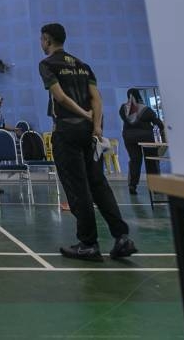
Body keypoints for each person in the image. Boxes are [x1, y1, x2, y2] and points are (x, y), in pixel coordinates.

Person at [38, 23, 137, 261]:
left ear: (47, 40)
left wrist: (83, 114)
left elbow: (60, 97)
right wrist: (96, 127)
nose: (41, 43)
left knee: (77, 188)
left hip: (67, 132)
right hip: (89, 134)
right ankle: (122, 237)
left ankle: (88, 243)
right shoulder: (83, 66)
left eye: (42, 39)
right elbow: (97, 99)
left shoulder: (48, 64)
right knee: (98, 184)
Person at [119, 88, 168, 195]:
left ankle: (132, 185)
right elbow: (159, 124)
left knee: (135, 160)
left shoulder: (123, 109)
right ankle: (156, 187)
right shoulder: (146, 109)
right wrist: (161, 135)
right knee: (151, 161)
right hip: (147, 139)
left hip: (129, 138)